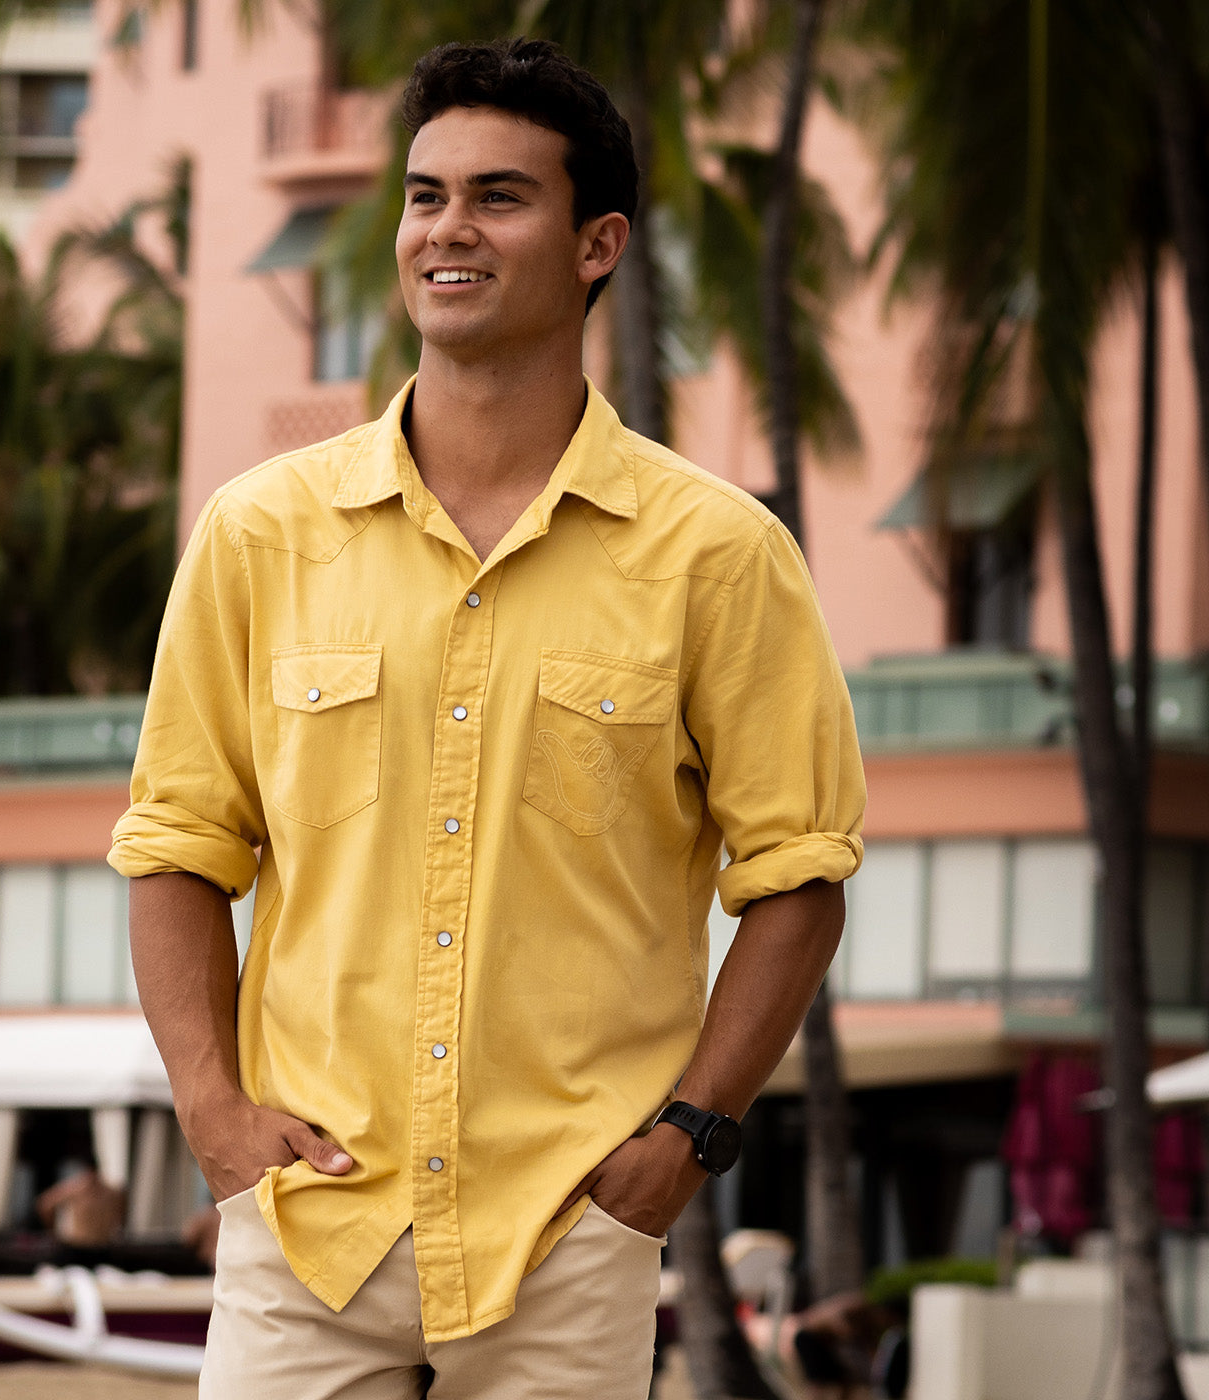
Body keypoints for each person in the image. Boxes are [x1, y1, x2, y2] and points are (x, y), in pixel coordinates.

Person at [108, 36, 865, 1400]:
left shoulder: (717, 555)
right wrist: (214, 1119)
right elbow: (175, 845)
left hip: (567, 1234)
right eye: (424, 194)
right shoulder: (261, 534)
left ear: (598, 244)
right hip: (306, 1228)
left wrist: (686, 1139)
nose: (447, 228)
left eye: (500, 196)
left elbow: (798, 877)